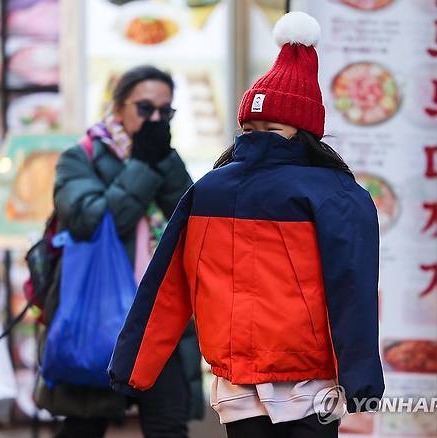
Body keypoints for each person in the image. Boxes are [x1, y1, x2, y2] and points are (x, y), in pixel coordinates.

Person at [109, 12, 385, 438]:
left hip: (273, 378)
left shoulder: (216, 189)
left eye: (270, 128)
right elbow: (169, 283)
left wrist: (133, 364)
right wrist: (361, 379)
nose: (257, 138)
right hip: (278, 377)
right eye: (250, 128)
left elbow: (352, 289)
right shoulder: (333, 194)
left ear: (304, 130)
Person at [34, 65, 203, 438]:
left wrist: (161, 161)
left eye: (166, 112)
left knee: (168, 425)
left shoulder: (165, 157)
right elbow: (93, 222)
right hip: (100, 311)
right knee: (84, 425)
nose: (156, 119)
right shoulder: (80, 158)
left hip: (159, 313)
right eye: (146, 109)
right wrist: (143, 165)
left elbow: (191, 219)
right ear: (119, 106)